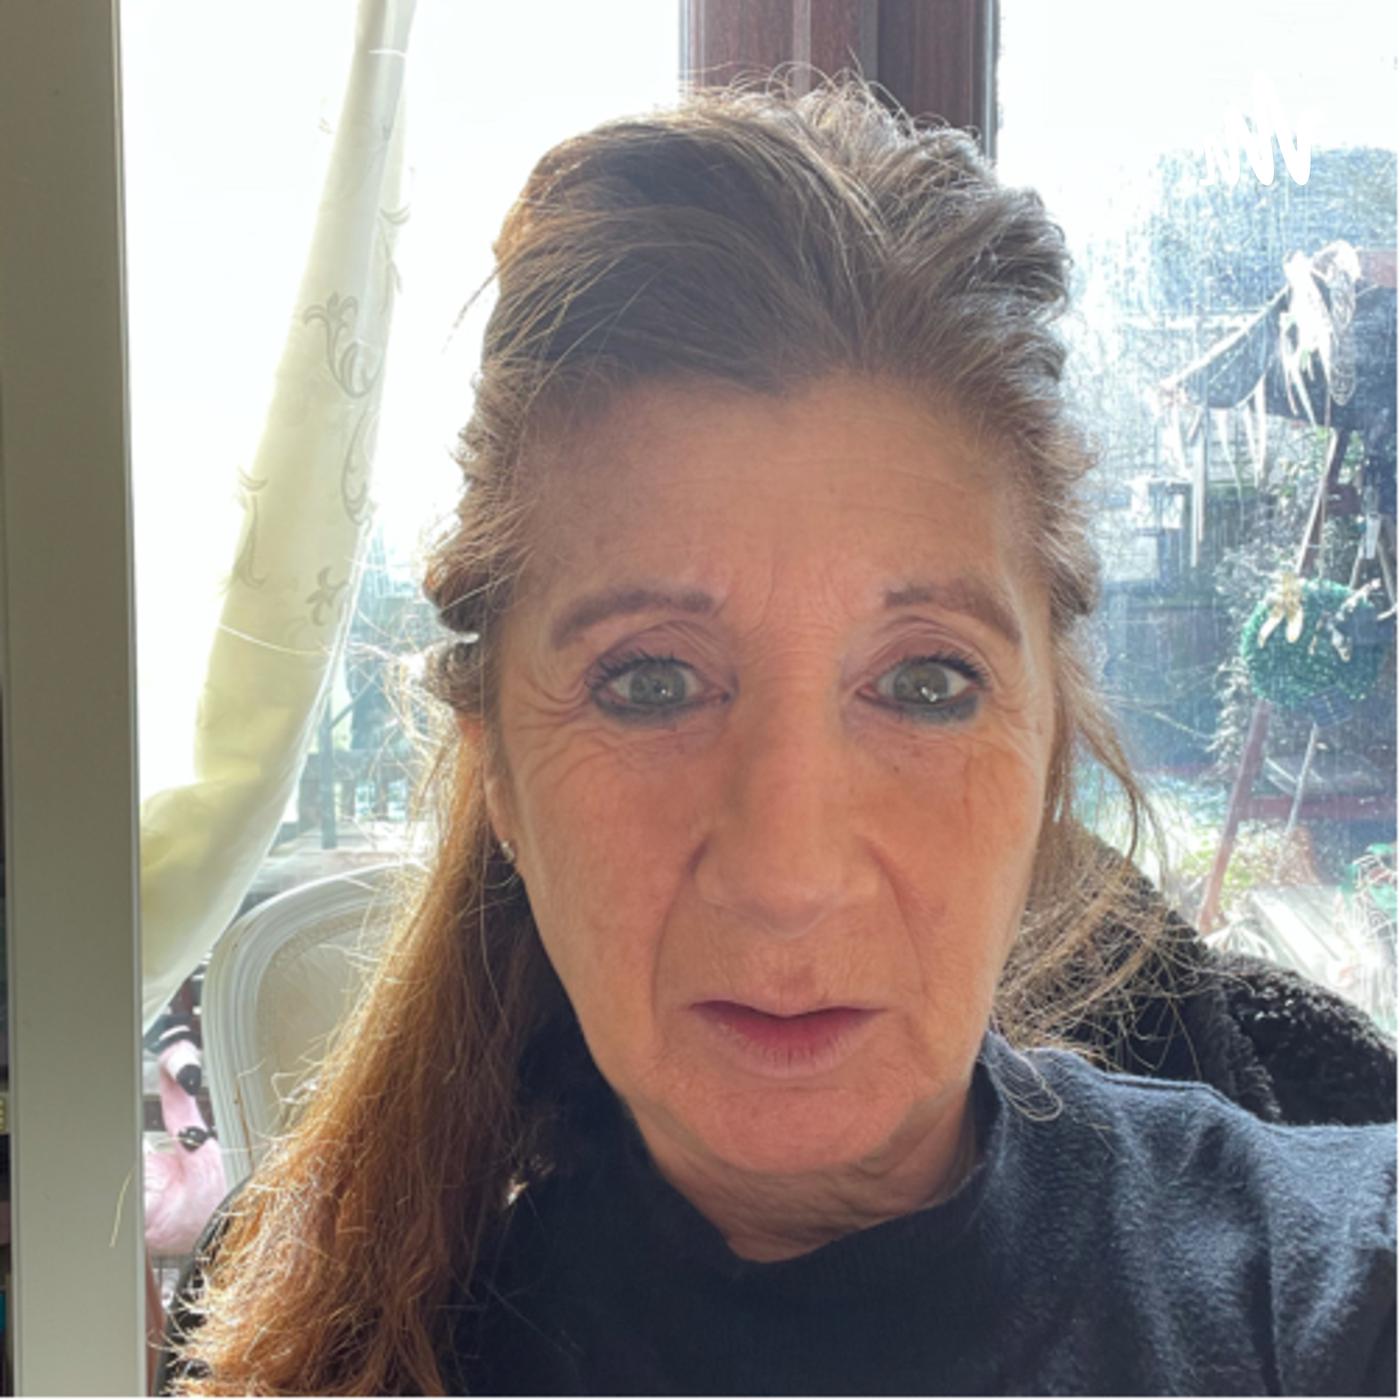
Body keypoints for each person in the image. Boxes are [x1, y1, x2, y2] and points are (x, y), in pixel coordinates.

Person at [161, 79, 1395, 1395]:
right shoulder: (323, 1356)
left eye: (926, 682)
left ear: (1048, 758)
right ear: (499, 773)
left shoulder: (1324, 1295)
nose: (788, 876)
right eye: (650, 683)